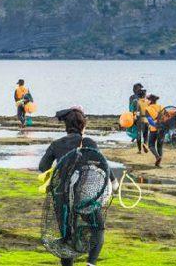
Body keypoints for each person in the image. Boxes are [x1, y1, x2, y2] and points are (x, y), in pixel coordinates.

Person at [38, 107, 112, 266]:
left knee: (66, 237)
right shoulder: (88, 142)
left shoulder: (56, 144)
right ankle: (90, 264)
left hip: (62, 199)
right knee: (97, 229)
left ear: (66, 126)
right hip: (84, 198)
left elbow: (43, 166)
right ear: (82, 125)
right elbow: (102, 166)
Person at [145, 94, 165, 167]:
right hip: (162, 129)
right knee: (160, 146)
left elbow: (150, 120)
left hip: (154, 130)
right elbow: (166, 118)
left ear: (150, 100)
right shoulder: (161, 107)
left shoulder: (148, 109)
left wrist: (155, 125)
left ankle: (157, 157)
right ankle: (159, 163)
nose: (146, 101)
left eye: (147, 99)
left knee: (151, 145)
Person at [133, 89, 149, 154]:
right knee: (146, 135)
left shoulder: (138, 102)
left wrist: (134, 119)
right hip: (147, 120)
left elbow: (137, 112)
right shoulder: (148, 102)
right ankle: (145, 144)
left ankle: (139, 150)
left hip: (140, 121)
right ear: (145, 95)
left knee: (139, 135)